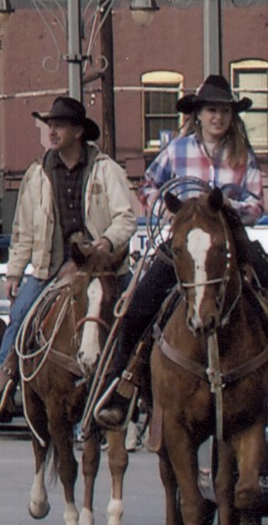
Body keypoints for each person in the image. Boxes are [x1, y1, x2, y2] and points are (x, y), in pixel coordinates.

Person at [86, 75, 268, 428]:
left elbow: (257, 203)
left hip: (231, 239)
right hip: (185, 241)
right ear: (198, 114)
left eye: (225, 111)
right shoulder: (177, 150)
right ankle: (120, 387)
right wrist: (171, 208)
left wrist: (229, 204)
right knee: (139, 303)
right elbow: (149, 186)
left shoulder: (243, 154)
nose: (218, 117)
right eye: (212, 110)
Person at [0, 95, 139, 417]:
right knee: (20, 313)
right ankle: (2, 381)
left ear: (78, 132)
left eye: (59, 125)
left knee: (132, 313)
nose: (52, 130)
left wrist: (105, 242)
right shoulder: (37, 174)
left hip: (100, 266)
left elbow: (126, 218)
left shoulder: (106, 170)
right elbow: (22, 229)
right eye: (50, 124)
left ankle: (126, 385)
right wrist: (15, 272)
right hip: (52, 265)